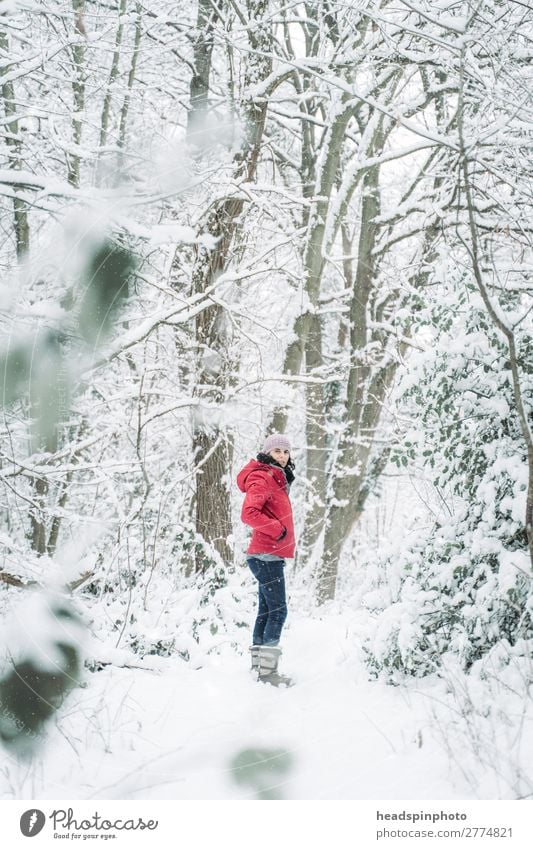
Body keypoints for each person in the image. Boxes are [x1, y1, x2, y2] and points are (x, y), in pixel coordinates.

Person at [236, 433, 295, 687]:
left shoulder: (275, 477)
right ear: (267, 453)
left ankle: (259, 668)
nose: (281, 455)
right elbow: (249, 513)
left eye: (285, 451)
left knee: (267, 610)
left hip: (268, 555)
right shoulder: (262, 476)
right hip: (265, 555)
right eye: (277, 451)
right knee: (278, 612)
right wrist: (278, 530)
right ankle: (268, 673)